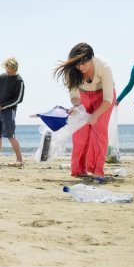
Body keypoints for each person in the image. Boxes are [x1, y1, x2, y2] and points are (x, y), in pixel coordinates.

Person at [54, 43, 115, 178]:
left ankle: (97, 170)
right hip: (84, 96)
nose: (80, 67)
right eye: (77, 64)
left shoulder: (104, 67)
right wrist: (77, 107)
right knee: (80, 133)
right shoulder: (73, 70)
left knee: (99, 131)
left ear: (91, 58)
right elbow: (75, 97)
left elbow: (108, 99)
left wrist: (95, 115)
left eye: (84, 64)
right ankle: (78, 170)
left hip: (103, 97)